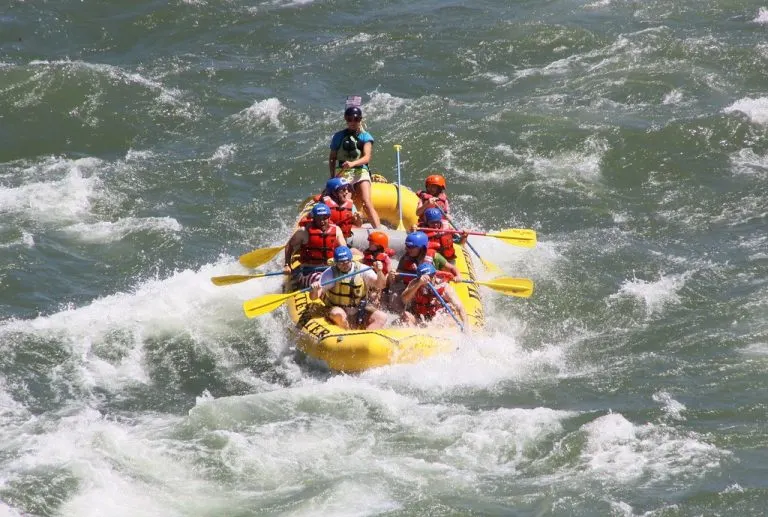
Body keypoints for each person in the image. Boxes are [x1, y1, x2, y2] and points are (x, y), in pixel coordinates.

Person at [310, 246, 387, 330]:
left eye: (347, 262)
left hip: (359, 308)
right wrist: (314, 290)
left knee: (382, 317)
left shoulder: (363, 269)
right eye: (340, 263)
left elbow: (381, 285)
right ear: (335, 263)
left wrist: (379, 271)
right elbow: (314, 297)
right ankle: (346, 333)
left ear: (351, 260)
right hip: (337, 307)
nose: (344, 265)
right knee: (338, 314)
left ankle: (367, 338)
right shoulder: (329, 273)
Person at [328, 106, 381, 228]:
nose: (352, 122)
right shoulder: (338, 136)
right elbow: (332, 158)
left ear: (360, 120)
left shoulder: (365, 136)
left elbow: (367, 157)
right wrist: (332, 177)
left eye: (356, 119)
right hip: (344, 172)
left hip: (361, 171)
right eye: (349, 119)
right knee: (346, 202)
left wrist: (352, 163)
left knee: (366, 202)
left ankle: (379, 231)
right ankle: (348, 229)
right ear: (346, 120)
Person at [387, 231, 460, 312]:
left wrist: (458, 275)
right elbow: (398, 274)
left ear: (421, 248)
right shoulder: (405, 258)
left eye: (410, 247)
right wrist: (393, 274)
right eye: (407, 246)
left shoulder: (435, 256)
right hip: (412, 287)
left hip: (430, 287)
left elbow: (452, 267)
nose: (406, 249)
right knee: (395, 302)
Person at [283, 203, 346, 288]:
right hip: (309, 271)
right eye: (319, 219)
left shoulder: (337, 230)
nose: (322, 221)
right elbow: (289, 246)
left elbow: (344, 249)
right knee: (321, 280)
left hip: (330, 269)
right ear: (314, 219)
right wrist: (287, 264)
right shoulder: (304, 232)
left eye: (325, 218)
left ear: (329, 217)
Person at [400, 262, 469, 328]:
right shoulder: (415, 283)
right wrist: (419, 284)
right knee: (406, 315)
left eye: (431, 276)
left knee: (447, 319)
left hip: (439, 321)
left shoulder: (444, 287)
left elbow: (459, 307)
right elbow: (404, 300)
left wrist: (466, 327)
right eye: (425, 278)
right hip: (420, 320)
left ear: (434, 275)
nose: (428, 280)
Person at [361, 231, 396, 307]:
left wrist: (390, 274)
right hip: (369, 278)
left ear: (379, 246)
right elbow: (362, 264)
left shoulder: (385, 257)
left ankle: (377, 303)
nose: (369, 244)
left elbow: (389, 270)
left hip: (380, 280)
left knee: (374, 295)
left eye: (372, 243)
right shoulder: (367, 254)